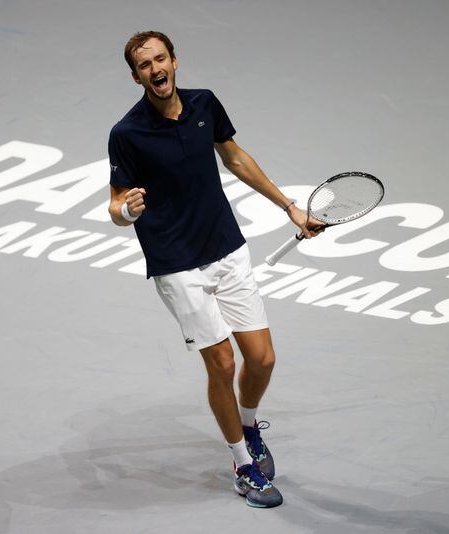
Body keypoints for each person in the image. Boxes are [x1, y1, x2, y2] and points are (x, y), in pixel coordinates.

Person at [107, 31, 322, 508]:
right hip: (177, 263)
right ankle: (243, 463)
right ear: (135, 75)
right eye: (144, 65)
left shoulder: (205, 103)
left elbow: (235, 158)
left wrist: (290, 206)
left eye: (160, 59)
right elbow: (116, 205)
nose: (155, 69)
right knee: (222, 362)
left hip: (226, 247)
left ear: (175, 62)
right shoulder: (127, 134)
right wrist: (129, 211)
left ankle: (248, 424)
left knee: (261, 359)